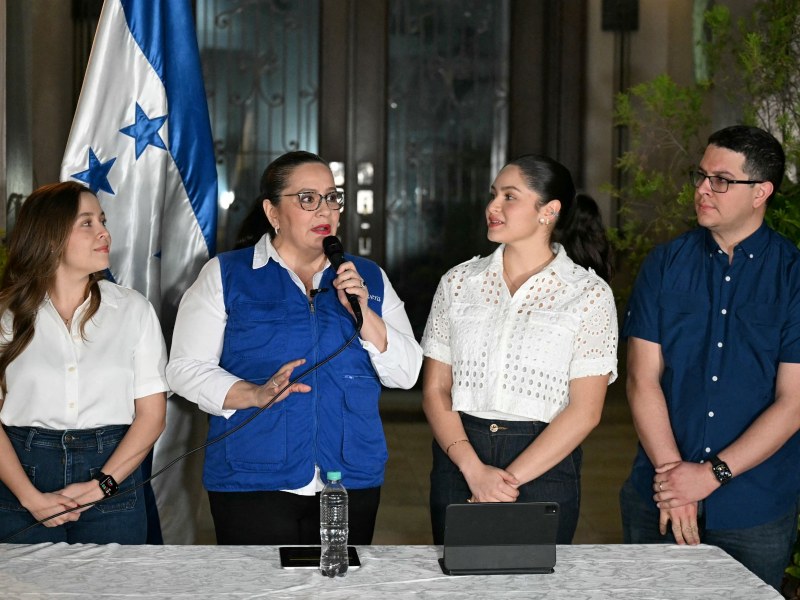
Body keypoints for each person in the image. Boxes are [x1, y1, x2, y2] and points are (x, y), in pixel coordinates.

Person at [166, 150, 423, 545]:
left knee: (339, 589)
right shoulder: (226, 274)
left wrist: (363, 313)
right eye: (308, 199)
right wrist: (252, 393)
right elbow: (184, 368)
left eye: (332, 197)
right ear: (272, 213)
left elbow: (406, 374)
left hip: (349, 477)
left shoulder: (368, 277)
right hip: (252, 476)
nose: (326, 210)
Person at [619, 125, 800, 591]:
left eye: (721, 180)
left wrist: (711, 475)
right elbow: (643, 380)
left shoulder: (792, 277)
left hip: (754, 509)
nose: (703, 188)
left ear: (761, 192)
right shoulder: (665, 264)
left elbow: (793, 403)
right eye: (700, 175)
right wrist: (674, 480)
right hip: (657, 498)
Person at [421, 155, 618, 544]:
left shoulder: (588, 294)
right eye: (494, 194)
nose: (492, 207)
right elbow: (435, 389)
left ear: (549, 211)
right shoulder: (459, 282)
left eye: (509, 196)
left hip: (545, 462)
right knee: (460, 585)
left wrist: (506, 482)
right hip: (460, 454)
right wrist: (473, 471)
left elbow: (586, 410)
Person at [0, 181, 168, 544]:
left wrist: (101, 486)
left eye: (102, 220)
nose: (104, 232)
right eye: (87, 222)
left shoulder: (133, 309)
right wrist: (30, 498)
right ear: (49, 235)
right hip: (19, 477)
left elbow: (152, 416)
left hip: (113, 473)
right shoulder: (6, 315)